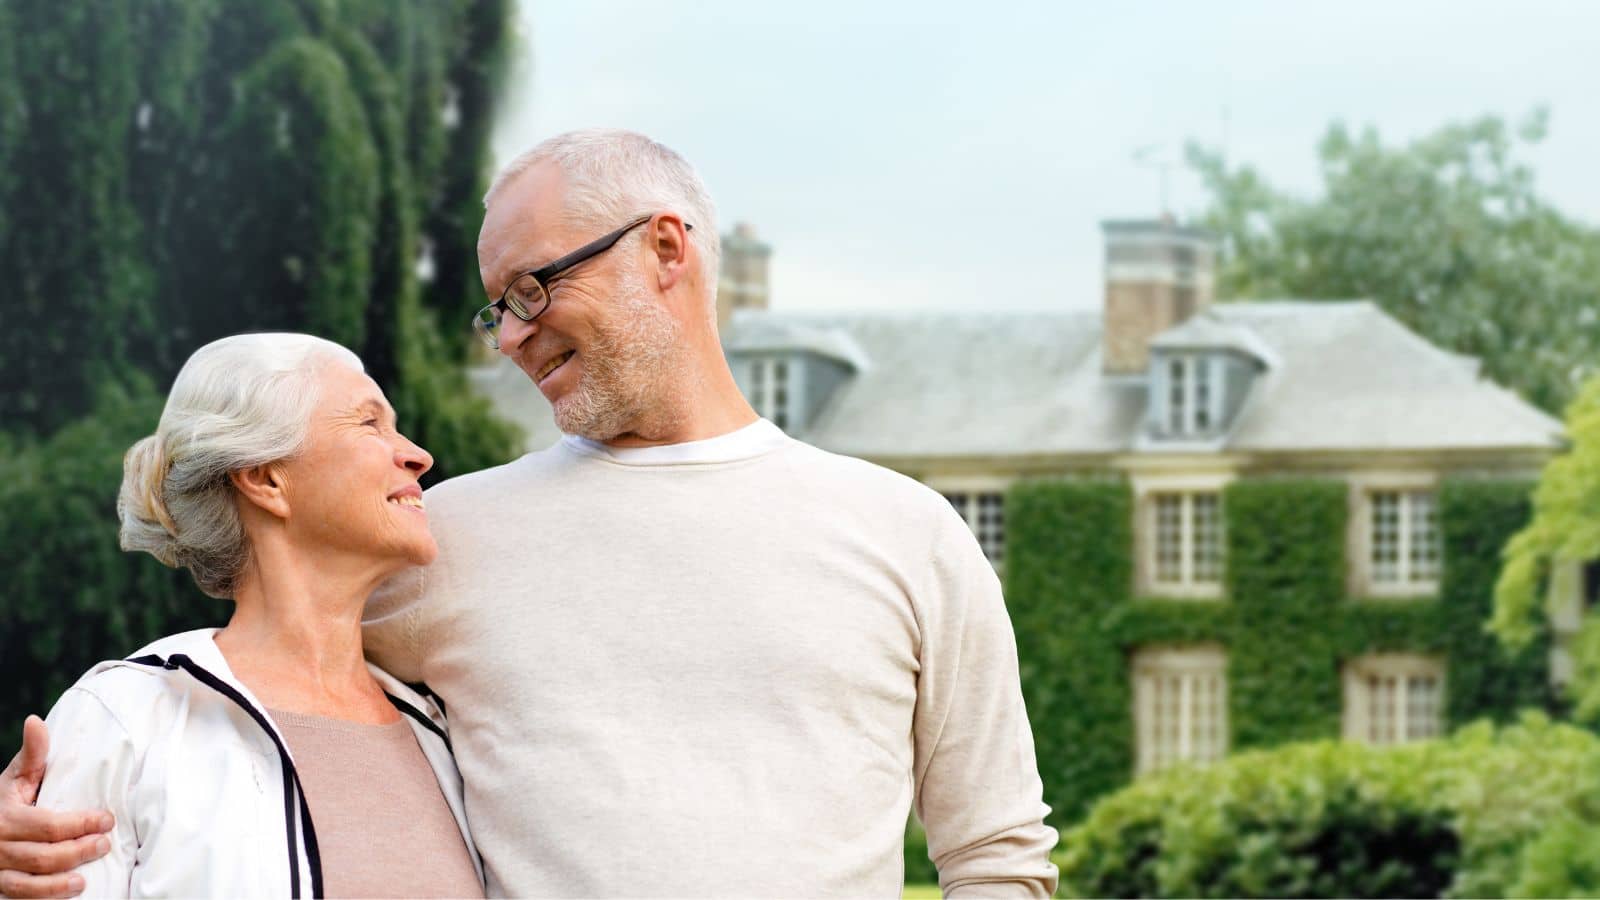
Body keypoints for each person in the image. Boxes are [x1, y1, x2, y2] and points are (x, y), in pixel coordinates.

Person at [1, 130, 1057, 897]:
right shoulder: (436, 539)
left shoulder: (906, 533)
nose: (508, 337)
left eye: (533, 289)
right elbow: (245, 672)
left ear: (666, 252)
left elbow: (998, 858)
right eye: (494, 306)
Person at [1, 334, 483, 898]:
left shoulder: (442, 734)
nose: (418, 456)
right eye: (369, 424)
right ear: (266, 479)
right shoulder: (128, 720)